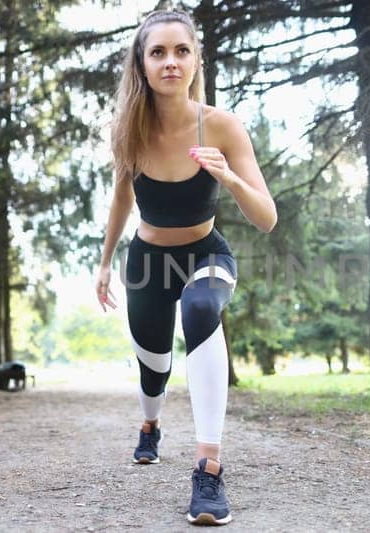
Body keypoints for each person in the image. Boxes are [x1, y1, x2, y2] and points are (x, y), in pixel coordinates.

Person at [94, 8, 277, 527]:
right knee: (153, 369)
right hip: (148, 262)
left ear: (196, 60)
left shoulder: (222, 126)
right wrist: (106, 263)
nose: (170, 61)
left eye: (181, 51)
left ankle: (208, 468)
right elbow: (120, 202)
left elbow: (266, 218)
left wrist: (229, 178)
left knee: (201, 310)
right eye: (158, 52)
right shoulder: (127, 129)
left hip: (206, 254)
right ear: (142, 64)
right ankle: (150, 427)